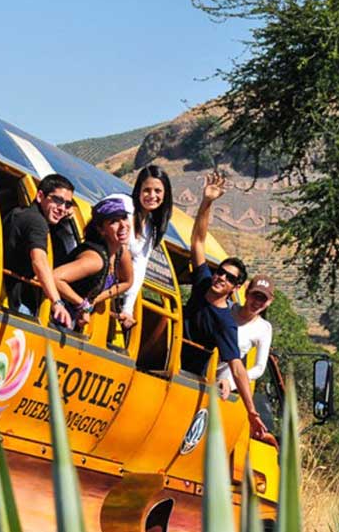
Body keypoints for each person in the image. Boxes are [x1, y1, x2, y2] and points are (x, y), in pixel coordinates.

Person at [181, 173, 269, 439]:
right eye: (221, 272)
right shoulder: (202, 283)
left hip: (185, 375)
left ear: (235, 288)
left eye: (230, 278)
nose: (221, 277)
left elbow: (239, 368)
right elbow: (198, 241)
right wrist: (207, 202)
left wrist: (251, 411)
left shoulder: (225, 321)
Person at [3, 173, 76, 329]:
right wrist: (57, 302)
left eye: (68, 204)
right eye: (57, 200)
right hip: (17, 304)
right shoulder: (37, 223)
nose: (62, 208)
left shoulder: (19, 213)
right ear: (40, 196)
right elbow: (39, 260)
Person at [52, 194, 135, 329]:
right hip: (56, 315)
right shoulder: (95, 260)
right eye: (114, 221)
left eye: (124, 218)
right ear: (101, 229)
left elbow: (128, 281)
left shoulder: (121, 251)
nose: (123, 225)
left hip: (73, 319)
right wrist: (83, 305)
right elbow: (55, 278)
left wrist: (95, 299)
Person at [118, 166, 173, 329]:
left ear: (165, 195)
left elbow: (139, 267)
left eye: (158, 191)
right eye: (147, 190)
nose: (152, 196)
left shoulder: (150, 228)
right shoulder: (124, 205)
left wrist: (128, 309)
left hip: (115, 286)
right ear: (138, 190)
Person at [217, 273, 275, 399]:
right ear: (246, 293)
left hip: (222, 382)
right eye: (255, 296)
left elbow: (259, 368)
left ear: (270, 302)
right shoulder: (226, 308)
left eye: (263, 299)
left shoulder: (264, 328)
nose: (257, 302)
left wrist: (230, 382)